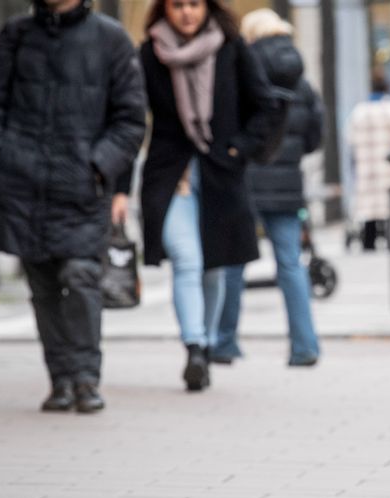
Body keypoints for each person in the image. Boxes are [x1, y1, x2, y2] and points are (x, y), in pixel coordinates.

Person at [0, 0, 146, 413]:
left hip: (81, 186)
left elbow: (131, 120)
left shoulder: (110, 39)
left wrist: (99, 167)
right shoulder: (17, 35)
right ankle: (60, 380)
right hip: (24, 185)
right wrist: (0, 158)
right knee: (43, 285)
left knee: (80, 275)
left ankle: (85, 378)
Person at [117, 0, 280, 391]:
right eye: (177, 5)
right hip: (170, 176)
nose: (186, 13)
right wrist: (120, 188)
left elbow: (265, 107)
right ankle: (194, 346)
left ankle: (204, 344)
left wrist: (238, 148)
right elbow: (130, 121)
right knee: (187, 260)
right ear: (164, 10)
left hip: (220, 174)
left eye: (194, 4)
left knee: (214, 266)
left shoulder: (231, 47)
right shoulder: (150, 54)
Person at [212, 9, 324, 368]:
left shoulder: (243, 72)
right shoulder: (302, 81)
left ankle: (224, 342)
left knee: (233, 262)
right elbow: (314, 138)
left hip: (245, 178)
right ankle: (304, 347)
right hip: (288, 184)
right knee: (290, 264)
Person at [347, 71, 390, 251]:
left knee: (369, 207)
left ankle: (368, 242)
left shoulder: (359, 112)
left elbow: (350, 139)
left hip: (367, 167)